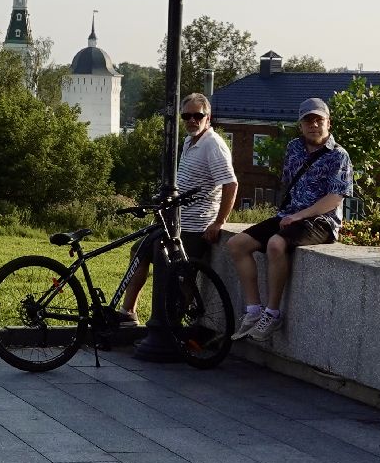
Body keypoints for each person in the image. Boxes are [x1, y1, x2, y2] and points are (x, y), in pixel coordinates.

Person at [228, 97, 352, 342]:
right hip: (290, 215)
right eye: (308, 121)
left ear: (329, 123)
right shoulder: (294, 147)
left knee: (276, 244)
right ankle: (254, 311)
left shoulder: (339, 156)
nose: (314, 126)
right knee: (237, 244)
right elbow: (288, 182)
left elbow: (335, 198)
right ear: (301, 125)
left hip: (321, 222)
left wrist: (300, 215)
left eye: (319, 120)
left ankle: (272, 313)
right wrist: (290, 215)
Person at [121, 94, 237, 337]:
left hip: (196, 226)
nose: (192, 120)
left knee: (181, 274)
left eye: (198, 116)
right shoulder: (189, 141)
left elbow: (230, 184)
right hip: (175, 222)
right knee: (140, 251)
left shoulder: (212, 145)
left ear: (208, 117)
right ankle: (128, 312)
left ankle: (173, 326)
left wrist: (219, 222)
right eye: (186, 116)